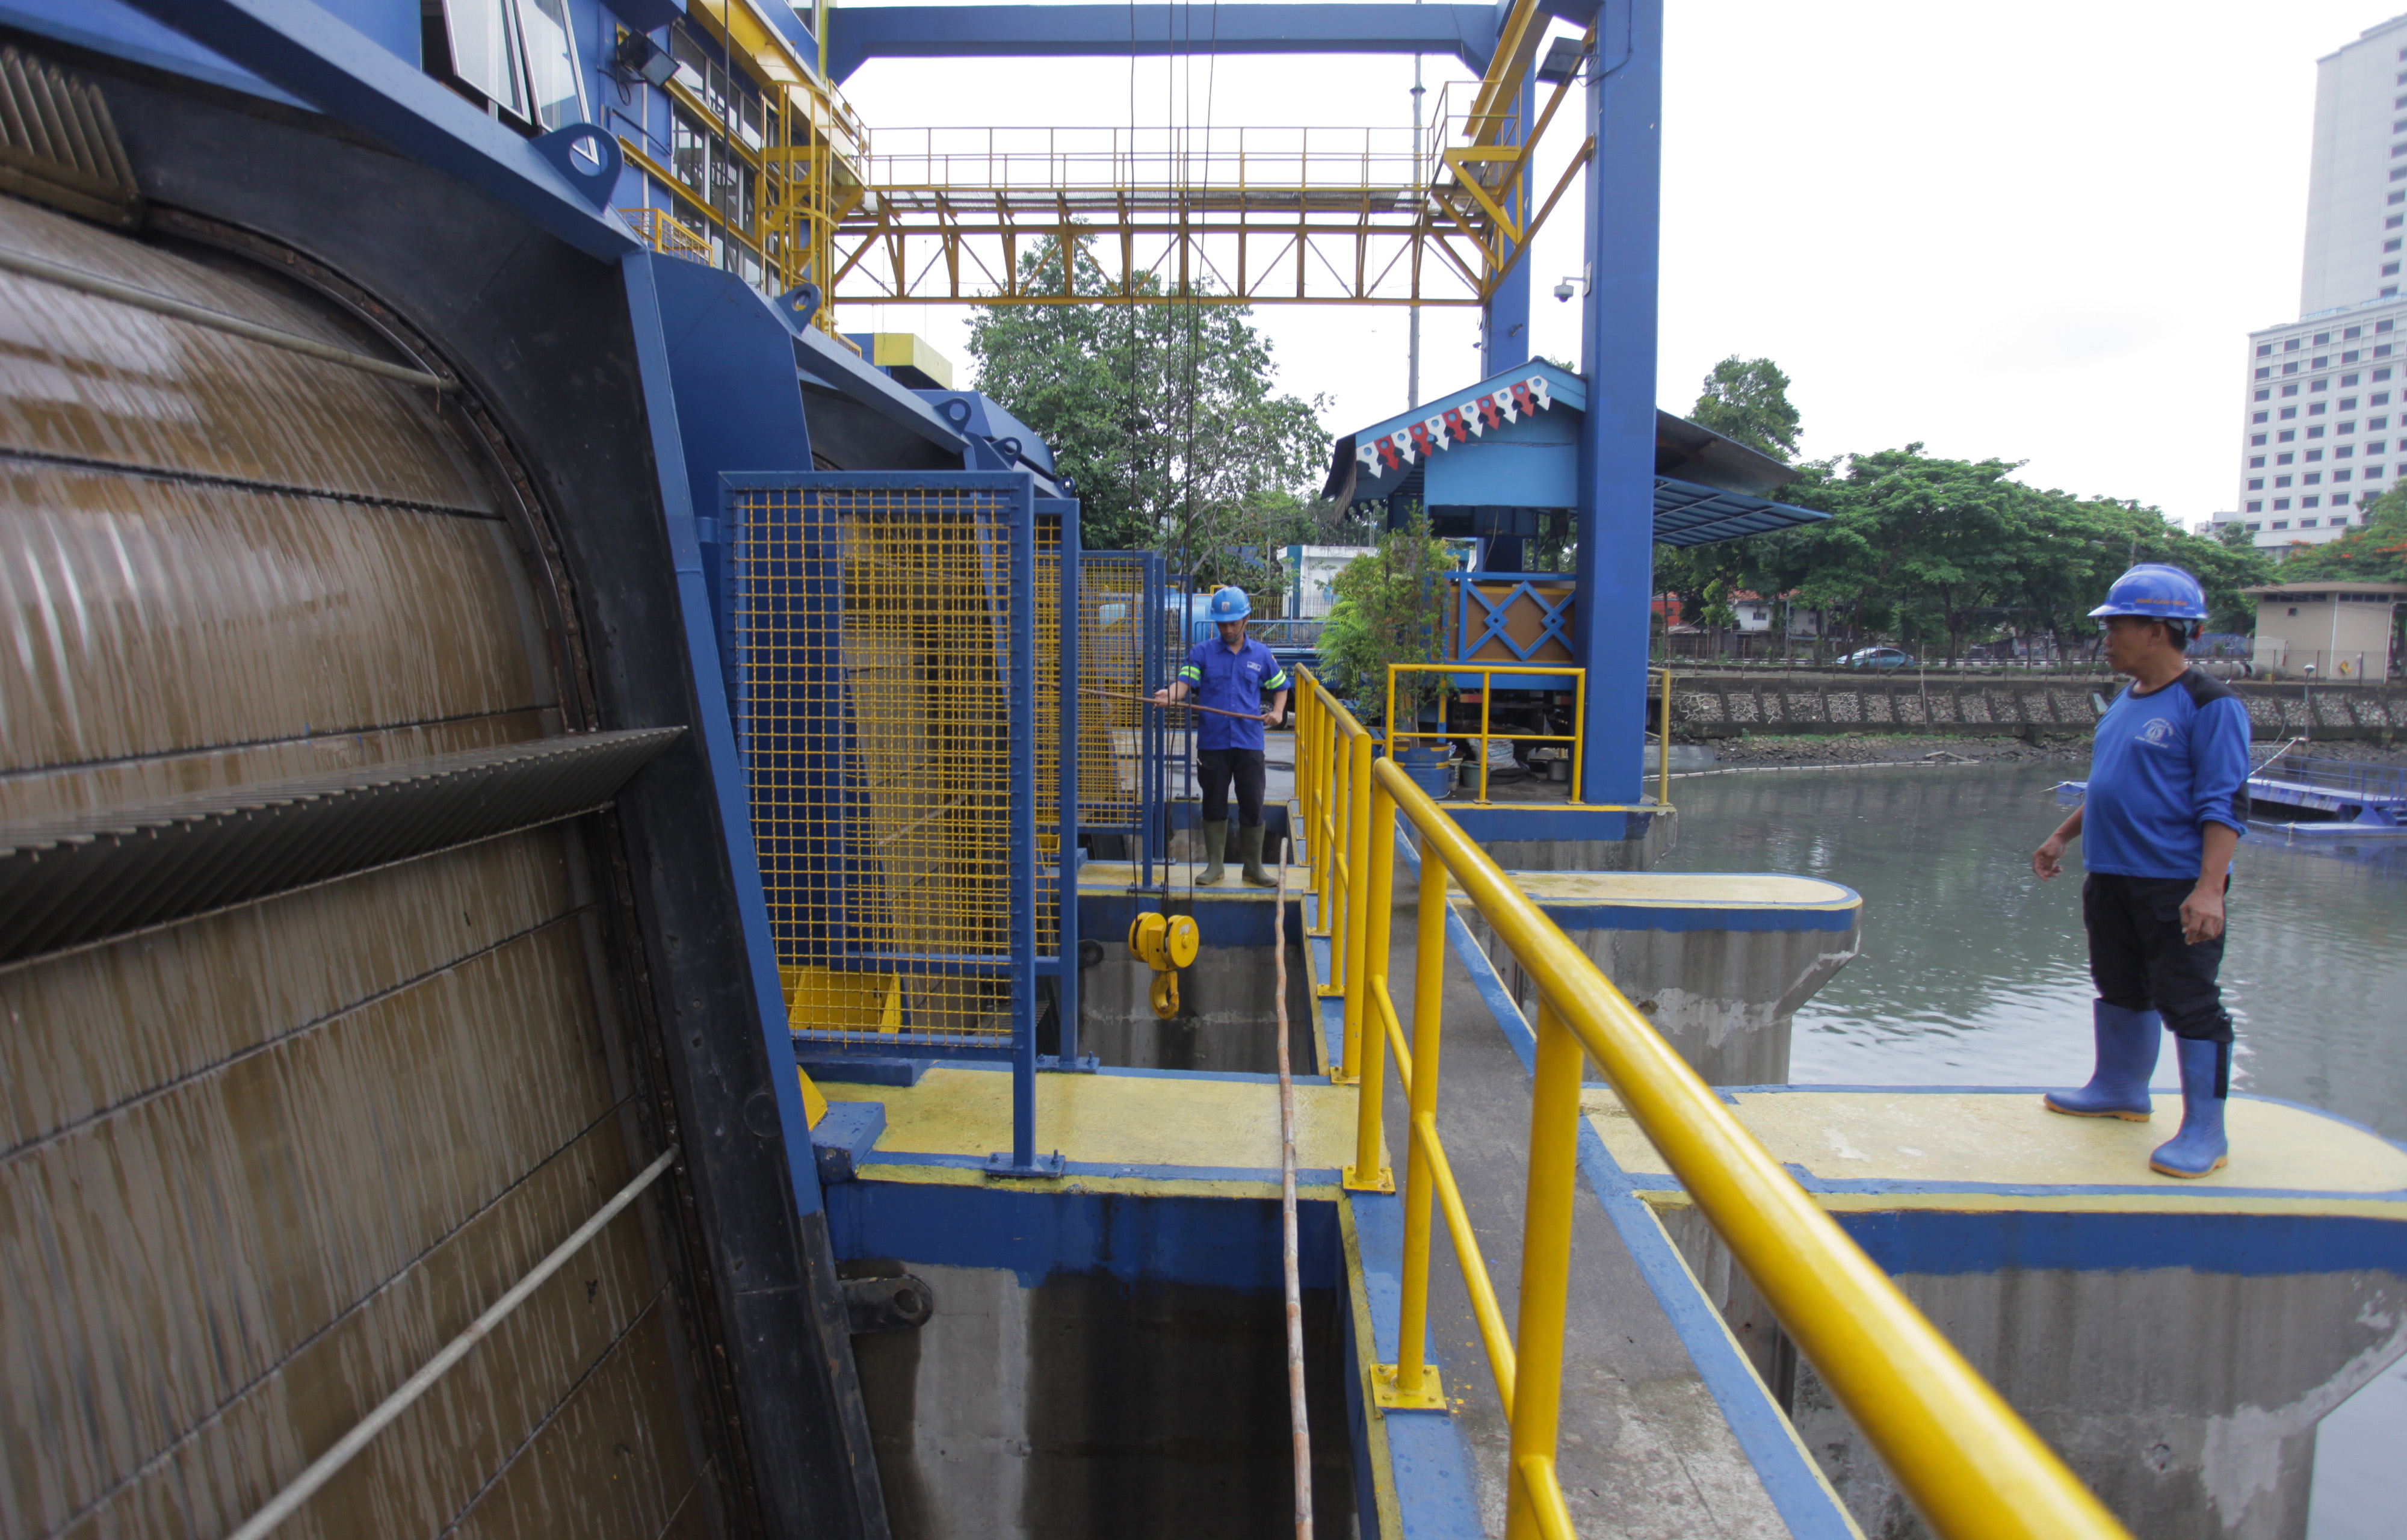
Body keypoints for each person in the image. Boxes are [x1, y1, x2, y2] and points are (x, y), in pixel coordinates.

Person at [2031, 564, 2251, 1178]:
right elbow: (2109, 785)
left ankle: (2206, 1131)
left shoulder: (2210, 704)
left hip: (2172, 881)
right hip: (2111, 873)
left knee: (2189, 1000)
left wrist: (2210, 889)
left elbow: (2224, 802)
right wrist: (2060, 836)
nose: (2105, 638)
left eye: (2115, 626)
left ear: (2158, 631)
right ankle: (2120, 1089)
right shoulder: (2125, 702)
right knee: (2120, 984)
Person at [1155, 586, 1290, 885]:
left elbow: (1281, 687)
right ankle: (1215, 866)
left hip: (1250, 743)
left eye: (1233, 623)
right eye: (1222, 624)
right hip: (1213, 743)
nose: (1228, 629)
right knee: (1213, 802)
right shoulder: (1201, 653)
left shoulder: (1262, 654)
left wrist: (1279, 713)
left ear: (1246, 620)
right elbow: (1183, 684)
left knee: (1252, 803)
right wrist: (1170, 695)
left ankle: (1253, 867)